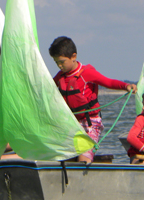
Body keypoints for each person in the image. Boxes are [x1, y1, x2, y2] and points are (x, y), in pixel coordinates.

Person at [49, 36, 136, 164]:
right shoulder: (60, 76)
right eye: (56, 62)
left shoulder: (86, 73)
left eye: (62, 61)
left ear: (73, 56)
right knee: (59, 156)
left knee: (83, 159)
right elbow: (48, 88)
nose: (59, 65)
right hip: (72, 124)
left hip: (90, 124)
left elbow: (108, 82)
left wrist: (125, 86)